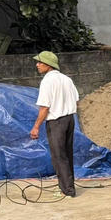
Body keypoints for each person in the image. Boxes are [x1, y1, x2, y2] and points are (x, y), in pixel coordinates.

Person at [29, 51, 79, 198]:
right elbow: (76, 100)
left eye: (40, 62)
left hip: (56, 121)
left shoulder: (47, 81)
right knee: (67, 153)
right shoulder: (66, 79)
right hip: (69, 119)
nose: (37, 65)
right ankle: (68, 185)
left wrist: (36, 126)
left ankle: (68, 190)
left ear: (48, 65)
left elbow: (45, 107)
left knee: (59, 155)